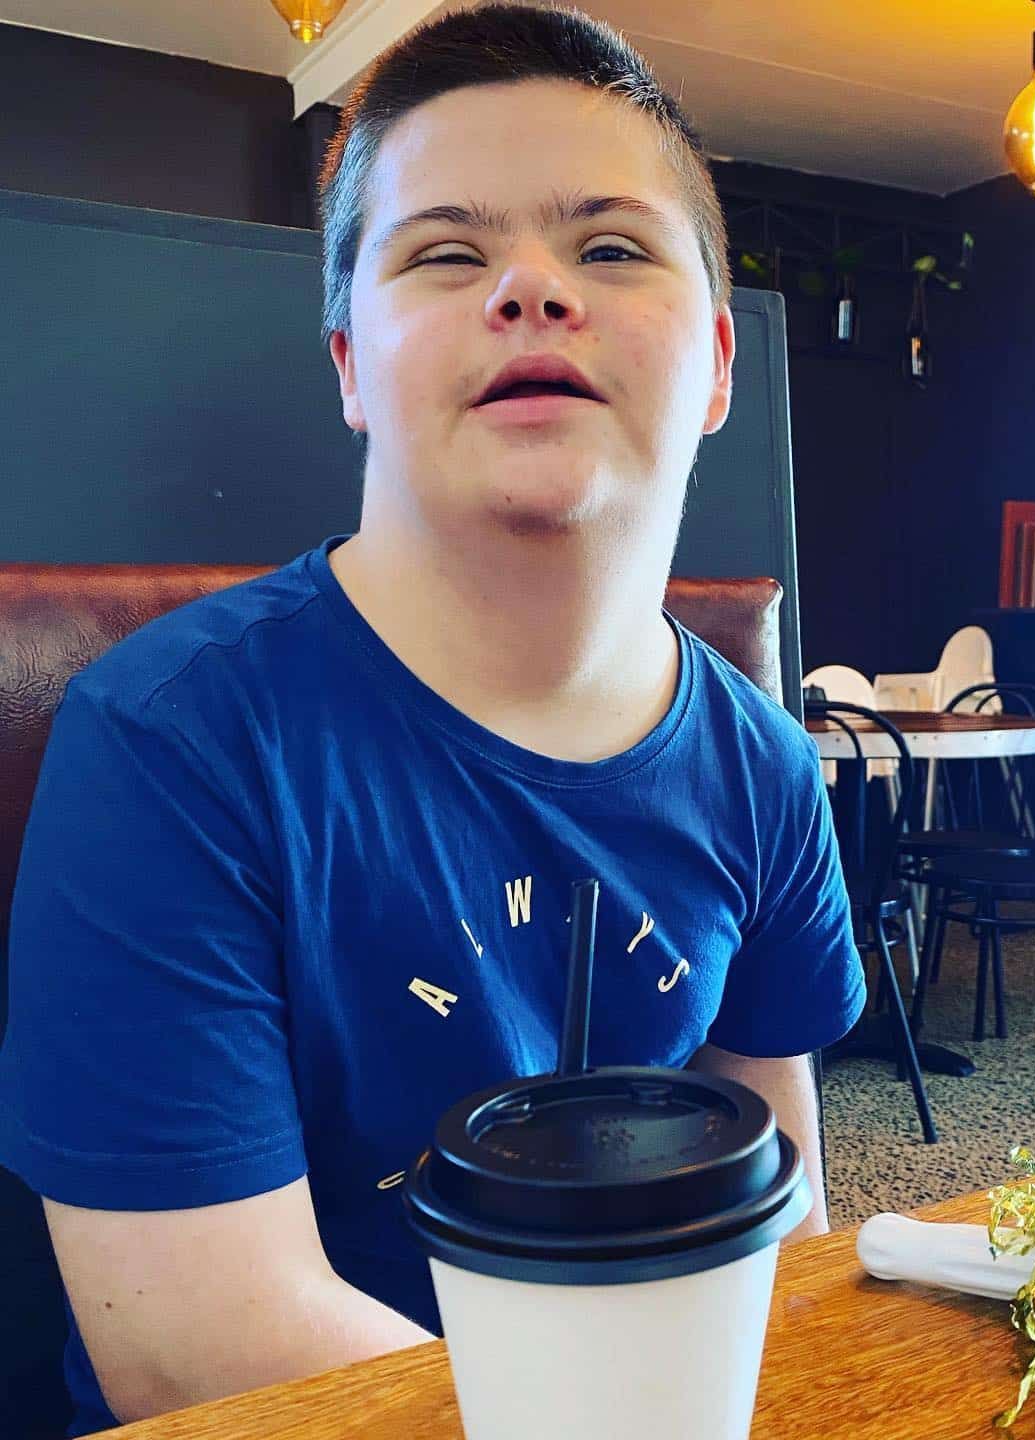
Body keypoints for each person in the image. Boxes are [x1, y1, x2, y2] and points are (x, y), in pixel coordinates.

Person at [0, 3, 865, 1433]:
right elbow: (200, 1342)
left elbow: (774, 1201)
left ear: (717, 364)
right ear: (348, 363)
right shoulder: (170, 742)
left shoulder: (763, 766)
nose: (529, 287)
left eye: (608, 244)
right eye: (447, 252)